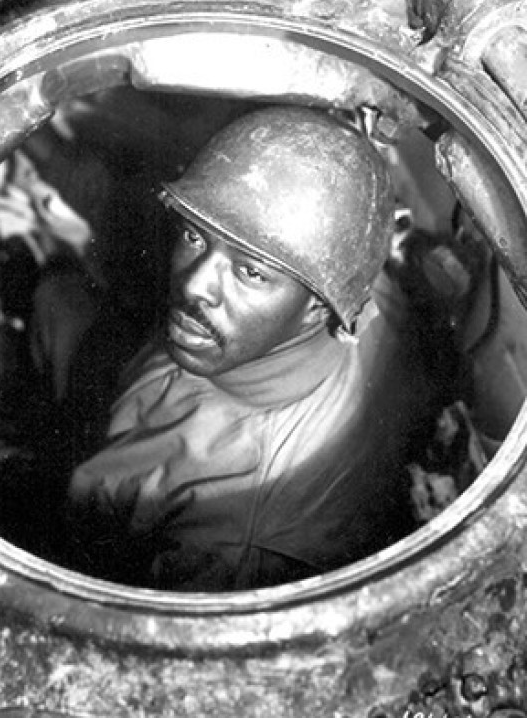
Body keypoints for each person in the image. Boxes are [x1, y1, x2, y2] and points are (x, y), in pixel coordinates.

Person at [58, 104, 444, 591]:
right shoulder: (345, 272)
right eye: (195, 235)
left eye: (252, 272)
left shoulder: (234, 540)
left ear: (317, 308)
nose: (197, 285)